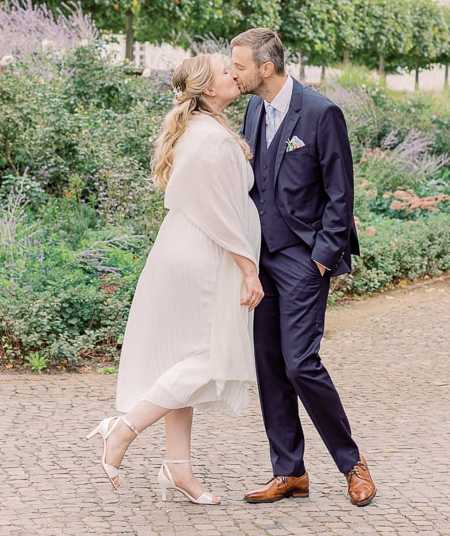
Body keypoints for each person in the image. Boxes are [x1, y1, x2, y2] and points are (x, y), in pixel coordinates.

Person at [88, 54, 264, 505]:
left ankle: (177, 467)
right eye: (224, 70)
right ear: (208, 89)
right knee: (208, 356)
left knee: (183, 357)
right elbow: (221, 212)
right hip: (203, 256)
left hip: (187, 249)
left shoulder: (201, 129)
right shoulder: (212, 139)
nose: (233, 73)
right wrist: (249, 269)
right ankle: (123, 429)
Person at [229, 28, 377, 507]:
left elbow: (340, 192)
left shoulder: (320, 112)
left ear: (266, 68)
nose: (233, 73)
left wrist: (321, 259)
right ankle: (289, 472)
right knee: (270, 365)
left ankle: (352, 463)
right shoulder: (254, 110)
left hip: (303, 258)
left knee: (300, 363)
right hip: (262, 257)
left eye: (240, 66)